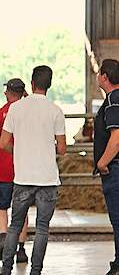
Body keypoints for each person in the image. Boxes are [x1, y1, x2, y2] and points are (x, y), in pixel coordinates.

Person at [0, 66, 66, 275]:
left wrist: (19, 149)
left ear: (32, 83)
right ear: (50, 84)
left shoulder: (16, 108)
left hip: (23, 177)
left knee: (15, 226)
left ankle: (6, 269)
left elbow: (3, 143)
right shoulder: (55, 110)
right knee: (42, 228)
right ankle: (36, 271)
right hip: (47, 178)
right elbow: (62, 149)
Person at [0, 78, 29, 263]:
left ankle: (3, 237)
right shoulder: (29, 113)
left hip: (3, 169)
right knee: (23, 209)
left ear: (6, 93)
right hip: (25, 169)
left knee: (1, 207)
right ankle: (20, 248)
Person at [94, 59, 119, 275]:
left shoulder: (113, 100)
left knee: (118, 218)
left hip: (115, 169)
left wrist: (102, 162)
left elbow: (117, 137)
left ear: (105, 77)